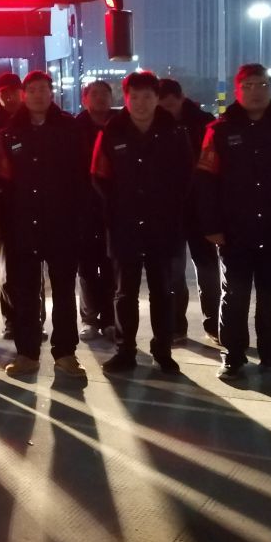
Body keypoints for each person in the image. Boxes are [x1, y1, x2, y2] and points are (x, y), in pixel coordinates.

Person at [196, 64, 271, 383]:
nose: (255, 91)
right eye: (247, 85)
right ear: (237, 90)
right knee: (234, 296)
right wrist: (211, 225)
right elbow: (206, 181)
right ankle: (233, 356)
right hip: (235, 230)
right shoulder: (220, 130)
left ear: (270, 87)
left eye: (260, 84)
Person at [91, 71, 193, 375]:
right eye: (134, 97)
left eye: (147, 96)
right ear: (125, 98)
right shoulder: (112, 132)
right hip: (124, 225)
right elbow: (99, 176)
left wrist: (171, 207)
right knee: (125, 293)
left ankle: (163, 350)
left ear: (156, 98)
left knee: (163, 290)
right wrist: (117, 207)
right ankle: (125, 351)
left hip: (164, 224)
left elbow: (187, 176)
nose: (140, 103)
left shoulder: (174, 132)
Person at [0, 71, 89, 378]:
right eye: (32, 90)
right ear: (24, 95)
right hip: (22, 224)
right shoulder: (10, 132)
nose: (37, 95)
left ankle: (66, 353)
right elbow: (3, 182)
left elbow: (81, 178)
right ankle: (27, 353)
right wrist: (4, 223)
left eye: (42, 89)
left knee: (64, 292)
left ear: (52, 93)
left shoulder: (69, 129)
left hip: (62, 223)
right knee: (25, 293)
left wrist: (80, 219)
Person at [157, 77, 220, 345]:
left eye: (172, 103)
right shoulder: (154, 125)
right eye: (163, 104)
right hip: (170, 210)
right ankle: (176, 326)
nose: (167, 109)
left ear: (181, 98)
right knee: (173, 272)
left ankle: (214, 323)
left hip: (201, 207)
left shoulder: (204, 122)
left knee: (207, 269)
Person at [75, 79, 117, 341]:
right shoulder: (74, 129)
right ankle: (89, 319)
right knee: (87, 266)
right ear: (85, 99)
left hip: (113, 207)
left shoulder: (121, 126)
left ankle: (111, 318)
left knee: (112, 265)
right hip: (83, 207)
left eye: (105, 94)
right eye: (95, 94)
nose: (100, 98)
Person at [0, 72, 27, 339]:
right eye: (4, 93)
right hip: (3, 208)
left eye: (14, 92)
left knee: (32, 269)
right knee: (9, 270)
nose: (10, 97)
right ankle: (11, 320)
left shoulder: (33, 121)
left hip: (33, 207)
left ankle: (33, 318)